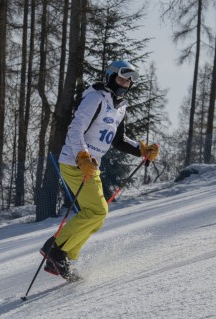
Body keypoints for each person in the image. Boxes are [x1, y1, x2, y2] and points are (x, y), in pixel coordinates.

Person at [40, 60, 159, 280]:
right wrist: (82, 156)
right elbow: (75, 129)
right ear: (111, 77)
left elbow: (118, 139)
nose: (125, 84)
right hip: (76, 162)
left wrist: (142, 150)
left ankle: (63, 255)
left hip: (91, 165)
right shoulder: (96, 98)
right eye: (122, 79)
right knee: (97, 211)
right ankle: (55, 249)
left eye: (129, 81)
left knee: (97, 216)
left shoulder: (120, 106)